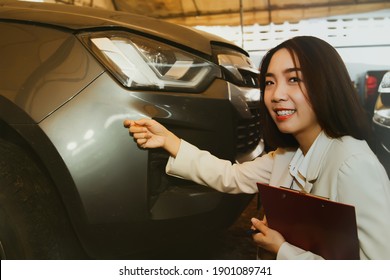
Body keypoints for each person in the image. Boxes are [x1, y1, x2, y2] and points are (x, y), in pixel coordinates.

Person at [124, 36, 390, 260]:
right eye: (270, 82)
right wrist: (170, 141)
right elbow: (230, 176)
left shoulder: (352, 164)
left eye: (294, 80)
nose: (276, 95)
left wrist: (283, 250)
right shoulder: (288, 155)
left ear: (327, 85)